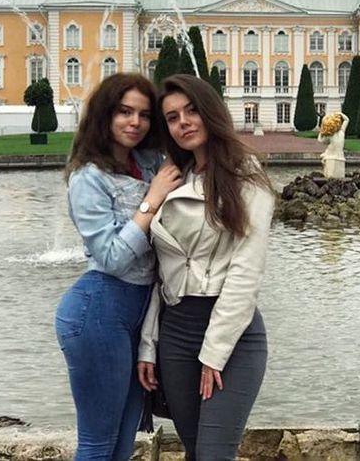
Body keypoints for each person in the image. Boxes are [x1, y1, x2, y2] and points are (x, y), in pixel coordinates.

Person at [137, 74, 275, 461]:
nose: (183, 122)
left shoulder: (246, 177)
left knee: (214, 454)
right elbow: (159, 274)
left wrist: (214, 352)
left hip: (232, 334)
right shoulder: (171, 178)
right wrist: (148, 345)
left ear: (210, 112)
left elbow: (246, 273)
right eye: (172, 117)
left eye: (191, 111)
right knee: (196, 451)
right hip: (176, 334)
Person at [55, 73, 182, 460]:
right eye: (124, 112)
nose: (135, 122)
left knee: (125, 440)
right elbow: (111, 257)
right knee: (98, 443)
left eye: (144, 115)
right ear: (105, 115)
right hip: (98, 311)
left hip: (139, 312)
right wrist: (151, 201)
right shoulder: (88, 178)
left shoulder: (148, 162)